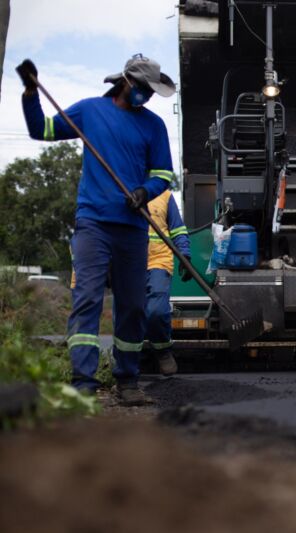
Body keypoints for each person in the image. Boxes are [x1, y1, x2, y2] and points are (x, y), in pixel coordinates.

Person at [18, 54, 176, 405]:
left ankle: (128, 381)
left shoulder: (153, 126)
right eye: (143, 90)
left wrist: (143, 191)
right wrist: (31, 94)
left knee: (133, 306)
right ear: (126, 83)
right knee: (87, 299)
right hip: (93, 225)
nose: (147, 98)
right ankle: (84, 384)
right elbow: (40, 130)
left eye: (151, 93)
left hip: (133, 228)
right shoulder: (90, 111)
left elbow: (164, 174)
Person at [145, 189, 192, 376]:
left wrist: (185, 255)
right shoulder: (121, 187)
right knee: (128, 314)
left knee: (156, 311)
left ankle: (163, 350)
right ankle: (125, 365)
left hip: (158, 261)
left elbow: (178, 229)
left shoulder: (164, 195)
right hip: (128, 263)